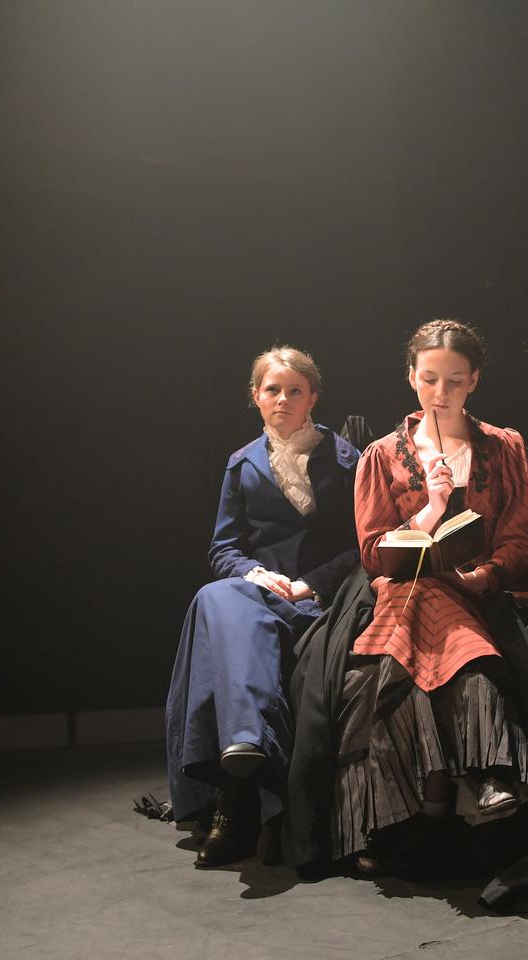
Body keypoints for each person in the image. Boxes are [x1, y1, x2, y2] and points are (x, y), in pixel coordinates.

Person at [331, 319, 528, 871]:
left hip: (482, 593)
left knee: (412, 636)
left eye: (454, 381)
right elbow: (374, 552)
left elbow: (523, 538)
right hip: (405, 590)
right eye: (429, 379)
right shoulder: (381, 455)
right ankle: (490, 769)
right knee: (422, 594)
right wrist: (430, 509)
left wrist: (486, 574)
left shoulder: (504, 446)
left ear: (474, 381)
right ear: (411, 377)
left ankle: (418, 815)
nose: (440, 393)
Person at [165, 346, 360, 867]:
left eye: (295, 390)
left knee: (217, 612)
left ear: (313, 397)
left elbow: (364, 544)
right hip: (258, 594)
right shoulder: (241, 463)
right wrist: (256, 574)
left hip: (321, 601)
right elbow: (223, 547)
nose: (283, 399)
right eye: (273, 390)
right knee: (217, 596)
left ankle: (237, 801)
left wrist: (309, 584)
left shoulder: (349, 459)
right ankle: (242, 761)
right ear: (256, 397)